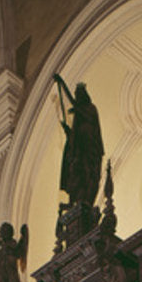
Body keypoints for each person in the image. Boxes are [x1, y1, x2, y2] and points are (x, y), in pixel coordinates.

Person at [53, 74, 104, 207]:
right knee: (75, 174)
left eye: (78, 95)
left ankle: (83, 201)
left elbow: (77, 107)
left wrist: (62, 84)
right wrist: (69, 132)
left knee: (85, 175)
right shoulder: (79, 115)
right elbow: (76, 137)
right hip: (80, 153)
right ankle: (73, 201)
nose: (77, 98)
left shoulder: (90, 109)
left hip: (89, 152)